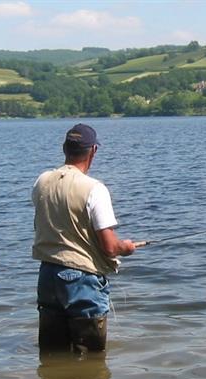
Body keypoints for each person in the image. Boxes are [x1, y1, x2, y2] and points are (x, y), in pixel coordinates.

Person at [32, 123, 146, 353]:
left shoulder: (41, 182)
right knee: (91, 357)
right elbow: (109, 247)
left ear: (65, 148)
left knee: (53, 353)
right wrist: (126, 247)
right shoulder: (95, 189)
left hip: (47, 276)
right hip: (81, 281)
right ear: (93, 150)